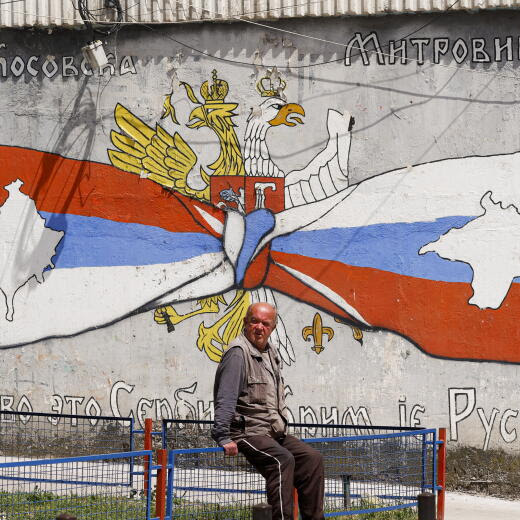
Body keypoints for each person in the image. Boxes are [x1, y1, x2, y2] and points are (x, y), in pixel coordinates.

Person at [212, 302, 325, 520]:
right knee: (282, 460)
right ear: (245, 323)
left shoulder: (270, 353)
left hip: (271, 431)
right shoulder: (238, 353)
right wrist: (223, 435)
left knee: (312, 458)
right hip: (246, 431)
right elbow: (225, 397)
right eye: (254, 321)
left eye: (265, 323)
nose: (259, 327)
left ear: (272, 328)